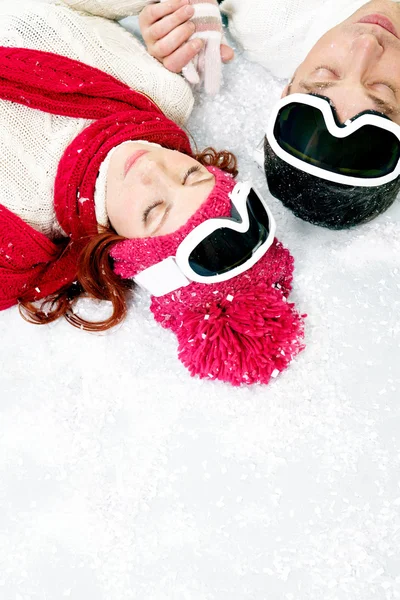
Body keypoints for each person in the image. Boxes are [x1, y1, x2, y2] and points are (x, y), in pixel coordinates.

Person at [0, 0, 304, 385]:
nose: (153, 168)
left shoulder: (18, 217)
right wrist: (174, 13)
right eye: (191, 174)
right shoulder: (160, 92)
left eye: (153, 209)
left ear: (120, 247)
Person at [141, 0, 400, 229]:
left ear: (288, 86)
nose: (367, 44)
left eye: (326, 73)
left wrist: (182, 12)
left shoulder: (273, 23)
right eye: (383, 89)